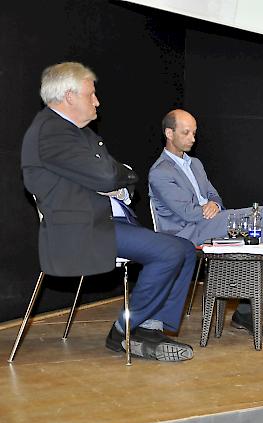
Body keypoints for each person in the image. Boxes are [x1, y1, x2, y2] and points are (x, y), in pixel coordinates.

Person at [21, 62, 196, 362]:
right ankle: (124, 330)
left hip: (105, 221)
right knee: (168, 251)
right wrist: (113, 178)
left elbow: (117, 173)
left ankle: (147, 327)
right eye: (91, 94)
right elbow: (106, 175)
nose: (97, 101)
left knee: (185, 248)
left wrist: (114, 178)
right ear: (69, 96)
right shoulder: (51, 132)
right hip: (81, 229)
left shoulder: (80, 134)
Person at [148, 109, 263, 332]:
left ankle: (247, 312)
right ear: (169, 133)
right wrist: (207, 208)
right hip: (185, 232)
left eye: (195, 133)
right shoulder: (160, 171)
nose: (193, 138)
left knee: (254, 241)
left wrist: (215, 205)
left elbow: (215, 196)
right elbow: (186, 212)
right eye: (186, 133)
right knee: (261, 214)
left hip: (208, 222)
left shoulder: (195, 164)